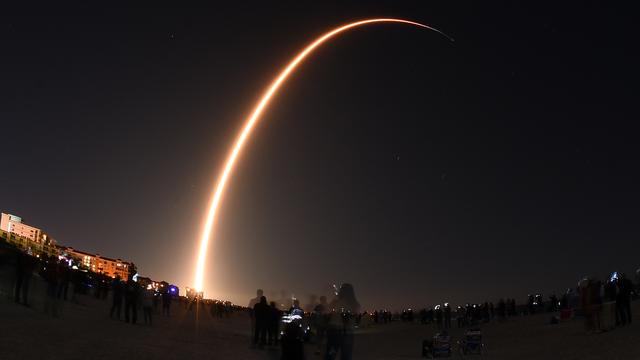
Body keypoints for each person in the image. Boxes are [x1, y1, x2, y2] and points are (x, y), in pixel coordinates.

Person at [325, 283, 361, 360]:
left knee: (331, 354)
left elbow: (328, 310)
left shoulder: (336, 302)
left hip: (334, 331)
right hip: (347, 332)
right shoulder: (355, 304)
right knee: (346, 356)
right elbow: (355, 319)